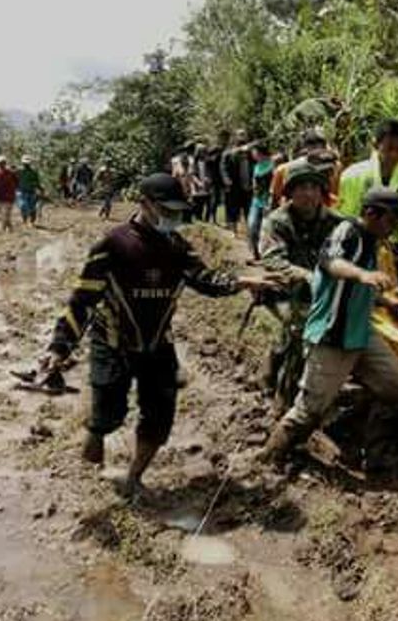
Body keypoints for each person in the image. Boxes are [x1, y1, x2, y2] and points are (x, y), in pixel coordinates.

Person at [37, 173, 267, 497]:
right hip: (113, 342)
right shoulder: (112, 245)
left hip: (159, 344)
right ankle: (98, 430)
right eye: (166, 210)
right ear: (144, 204)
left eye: (178, 211)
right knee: (109, 413)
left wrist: (243, 281)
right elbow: (82, 301)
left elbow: (204, 279)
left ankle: (134, 477)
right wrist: (59, 347)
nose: (173, 218)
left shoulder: (178, 247)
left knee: (160, 415)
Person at [260, 188, 398, 469]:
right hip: (333, 335)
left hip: (360, 333)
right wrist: (363, 274)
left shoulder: (372, 241)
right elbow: (331, 263)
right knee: (308, 410)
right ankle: (270, 457)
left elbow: (354, 289)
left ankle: (372, 447)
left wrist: (384, 301)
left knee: (394, 384)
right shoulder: (347, 232)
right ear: (370, 214)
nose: (393, 228)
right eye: (390, 220)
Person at [257, 160, 345, 400]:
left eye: (313, 187)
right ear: (289, 193)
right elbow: (273, 261)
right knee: (300, 328)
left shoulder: (336, 223)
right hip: (282, 292)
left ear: (321, 192)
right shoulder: (276, 221)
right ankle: (285, 397)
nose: (308, 194)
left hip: (322, 293)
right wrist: (307, 276)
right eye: (300, 188)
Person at [337, 119, 398, 216]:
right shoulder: (352, 175)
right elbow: (345, 216)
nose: (394, 155)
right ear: (375, 145)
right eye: (389, 148)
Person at [221, 129, 253, 234]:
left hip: (248, 184)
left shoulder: (250, 151)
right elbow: (223, 168)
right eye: (240, 135)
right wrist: (227, 180)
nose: (242, 137)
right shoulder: (228, 152)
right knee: (234, 208)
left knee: (249, 209)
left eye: (244, 135)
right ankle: (234, 231)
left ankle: (250, 231)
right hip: (235, 186)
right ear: (235, 137)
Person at [247, 142, 275, 259]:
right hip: (256, 200)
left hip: (268, 201)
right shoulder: (256, 166)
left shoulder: (272, 165)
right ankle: (254, 252)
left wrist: (269, 201)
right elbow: (254, 181)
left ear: (260, 152)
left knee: (266, 229)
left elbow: (273, 185)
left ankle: (265, 254)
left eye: (254, 151)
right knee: (252, 225)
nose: (252, 154)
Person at [16, 156, 44, 226]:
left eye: (27, 163)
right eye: (25, 163)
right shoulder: (18, 171)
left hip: (31, 192)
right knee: (23, 206)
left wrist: (41, 189)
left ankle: (32, 221)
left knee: (32, 208)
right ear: (22, 163)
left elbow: (37, 182)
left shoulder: (33, 172)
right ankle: (24, 221)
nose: (26, 165)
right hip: (21, 192)